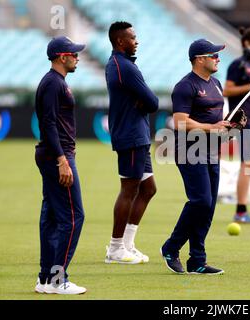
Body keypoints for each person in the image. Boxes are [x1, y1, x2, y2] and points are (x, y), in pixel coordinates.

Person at [161, 39, 229, 275]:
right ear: (200, 59)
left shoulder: (217, 83)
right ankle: (171, 247)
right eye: (214, 56)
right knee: (201, 201)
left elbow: (216, 121)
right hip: (189, 150)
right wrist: (213, 128)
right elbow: (180, 122)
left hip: (212, 151)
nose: (218, 59)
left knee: (208, 207)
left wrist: (229, 128)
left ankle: (197, 260)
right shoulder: (185, 86)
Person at [34, 36, 87, 294]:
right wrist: (62, 160)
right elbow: (49, 123)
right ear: (61, 57)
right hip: (57, 157)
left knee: (52, 218)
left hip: (52, 155)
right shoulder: (54, 83)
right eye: (73, 53)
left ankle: (45, 279)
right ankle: (57, 279)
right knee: (74, 217)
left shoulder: (54, 81)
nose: (77, 57)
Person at [105, 21, 159, 264]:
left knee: (148, 189)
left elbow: (147, 101)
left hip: (137, 134)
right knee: (129, 190)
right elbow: (153, 102)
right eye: (132, 37)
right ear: (120, 41)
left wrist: (144, 102)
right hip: (131, 136)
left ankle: (127, 244)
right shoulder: (124, 67)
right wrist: (144, 102)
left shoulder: (120, 64)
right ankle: (115, 248)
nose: (136, 41)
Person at [223, 27, 250, 224]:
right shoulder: (238, 64)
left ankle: (242, 209)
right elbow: (227, 90)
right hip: (246, 121)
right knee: (247, 165)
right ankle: (241, 211)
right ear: (247, 43)